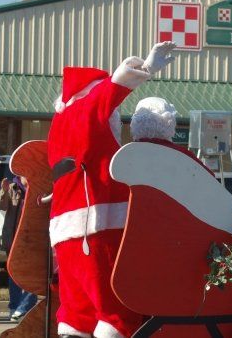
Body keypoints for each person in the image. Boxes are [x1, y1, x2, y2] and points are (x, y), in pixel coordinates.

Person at [47, 41, 176, 338]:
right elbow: (104, 95)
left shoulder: (59, 125)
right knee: (117, 308)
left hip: (66, 232)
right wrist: (144, 68)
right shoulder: (86, 113)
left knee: (78, 312)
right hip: (99, 227)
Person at [130, 96, 213, 175]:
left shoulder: (127, 154)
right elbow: (209, 179)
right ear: (170, 121)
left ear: (135, 122)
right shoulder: (183, 155)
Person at [0, 176, 38, 322]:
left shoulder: (38, 186)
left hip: (32, 238)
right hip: (13, 238)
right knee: (14, 275)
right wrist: (3, 190)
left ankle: (26, 307)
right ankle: (14, 307)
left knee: (31, 275)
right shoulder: (13, 188)